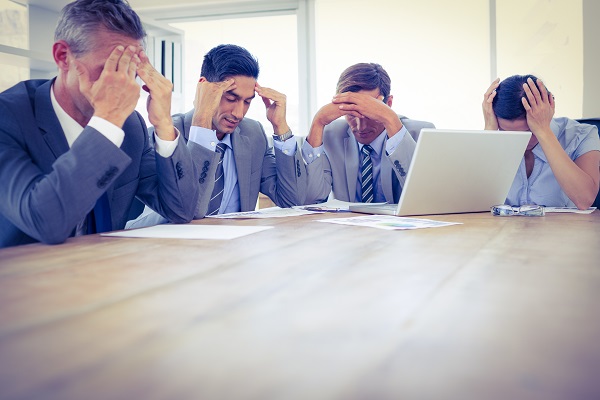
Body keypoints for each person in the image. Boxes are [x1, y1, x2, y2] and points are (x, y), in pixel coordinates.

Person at [0, 0, 199, 248]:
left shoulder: (131, 126)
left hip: (104, 274)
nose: (123, 84)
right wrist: (107, 121)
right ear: (63, 57)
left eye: (130, 71)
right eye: (110, 70)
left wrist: (164, 124)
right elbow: (47, 223)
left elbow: (181, 209)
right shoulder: (7, 117)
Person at [127, 44, 306, 228]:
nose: (239, 113)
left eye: (247, 102)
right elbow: (191, 211)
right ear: (204, 88)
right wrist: (202, 120)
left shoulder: (253, 134)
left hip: (232, 247)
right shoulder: (166, 134)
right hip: (168, 244)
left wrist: (280, 127)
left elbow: (292, 200)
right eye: (231, 98)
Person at [302, 62, 434, 204]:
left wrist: (390, 118)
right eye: (351, 114)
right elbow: (311, 199)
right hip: (349, 225)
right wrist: (317, 123)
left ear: (388, 104)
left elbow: (426, 198)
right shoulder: (331, 135)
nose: (361, 127)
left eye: (368, 114)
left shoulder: (421, 135)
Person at [483, 75, 600, 209]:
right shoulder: (494, 135)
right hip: (504, 229)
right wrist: (490, 133)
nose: (523, 142)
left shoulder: (582, 135)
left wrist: (543, 131)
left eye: (529, 132)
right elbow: (472, 201)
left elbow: (584, 200)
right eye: (507, 132)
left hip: (562, 228)